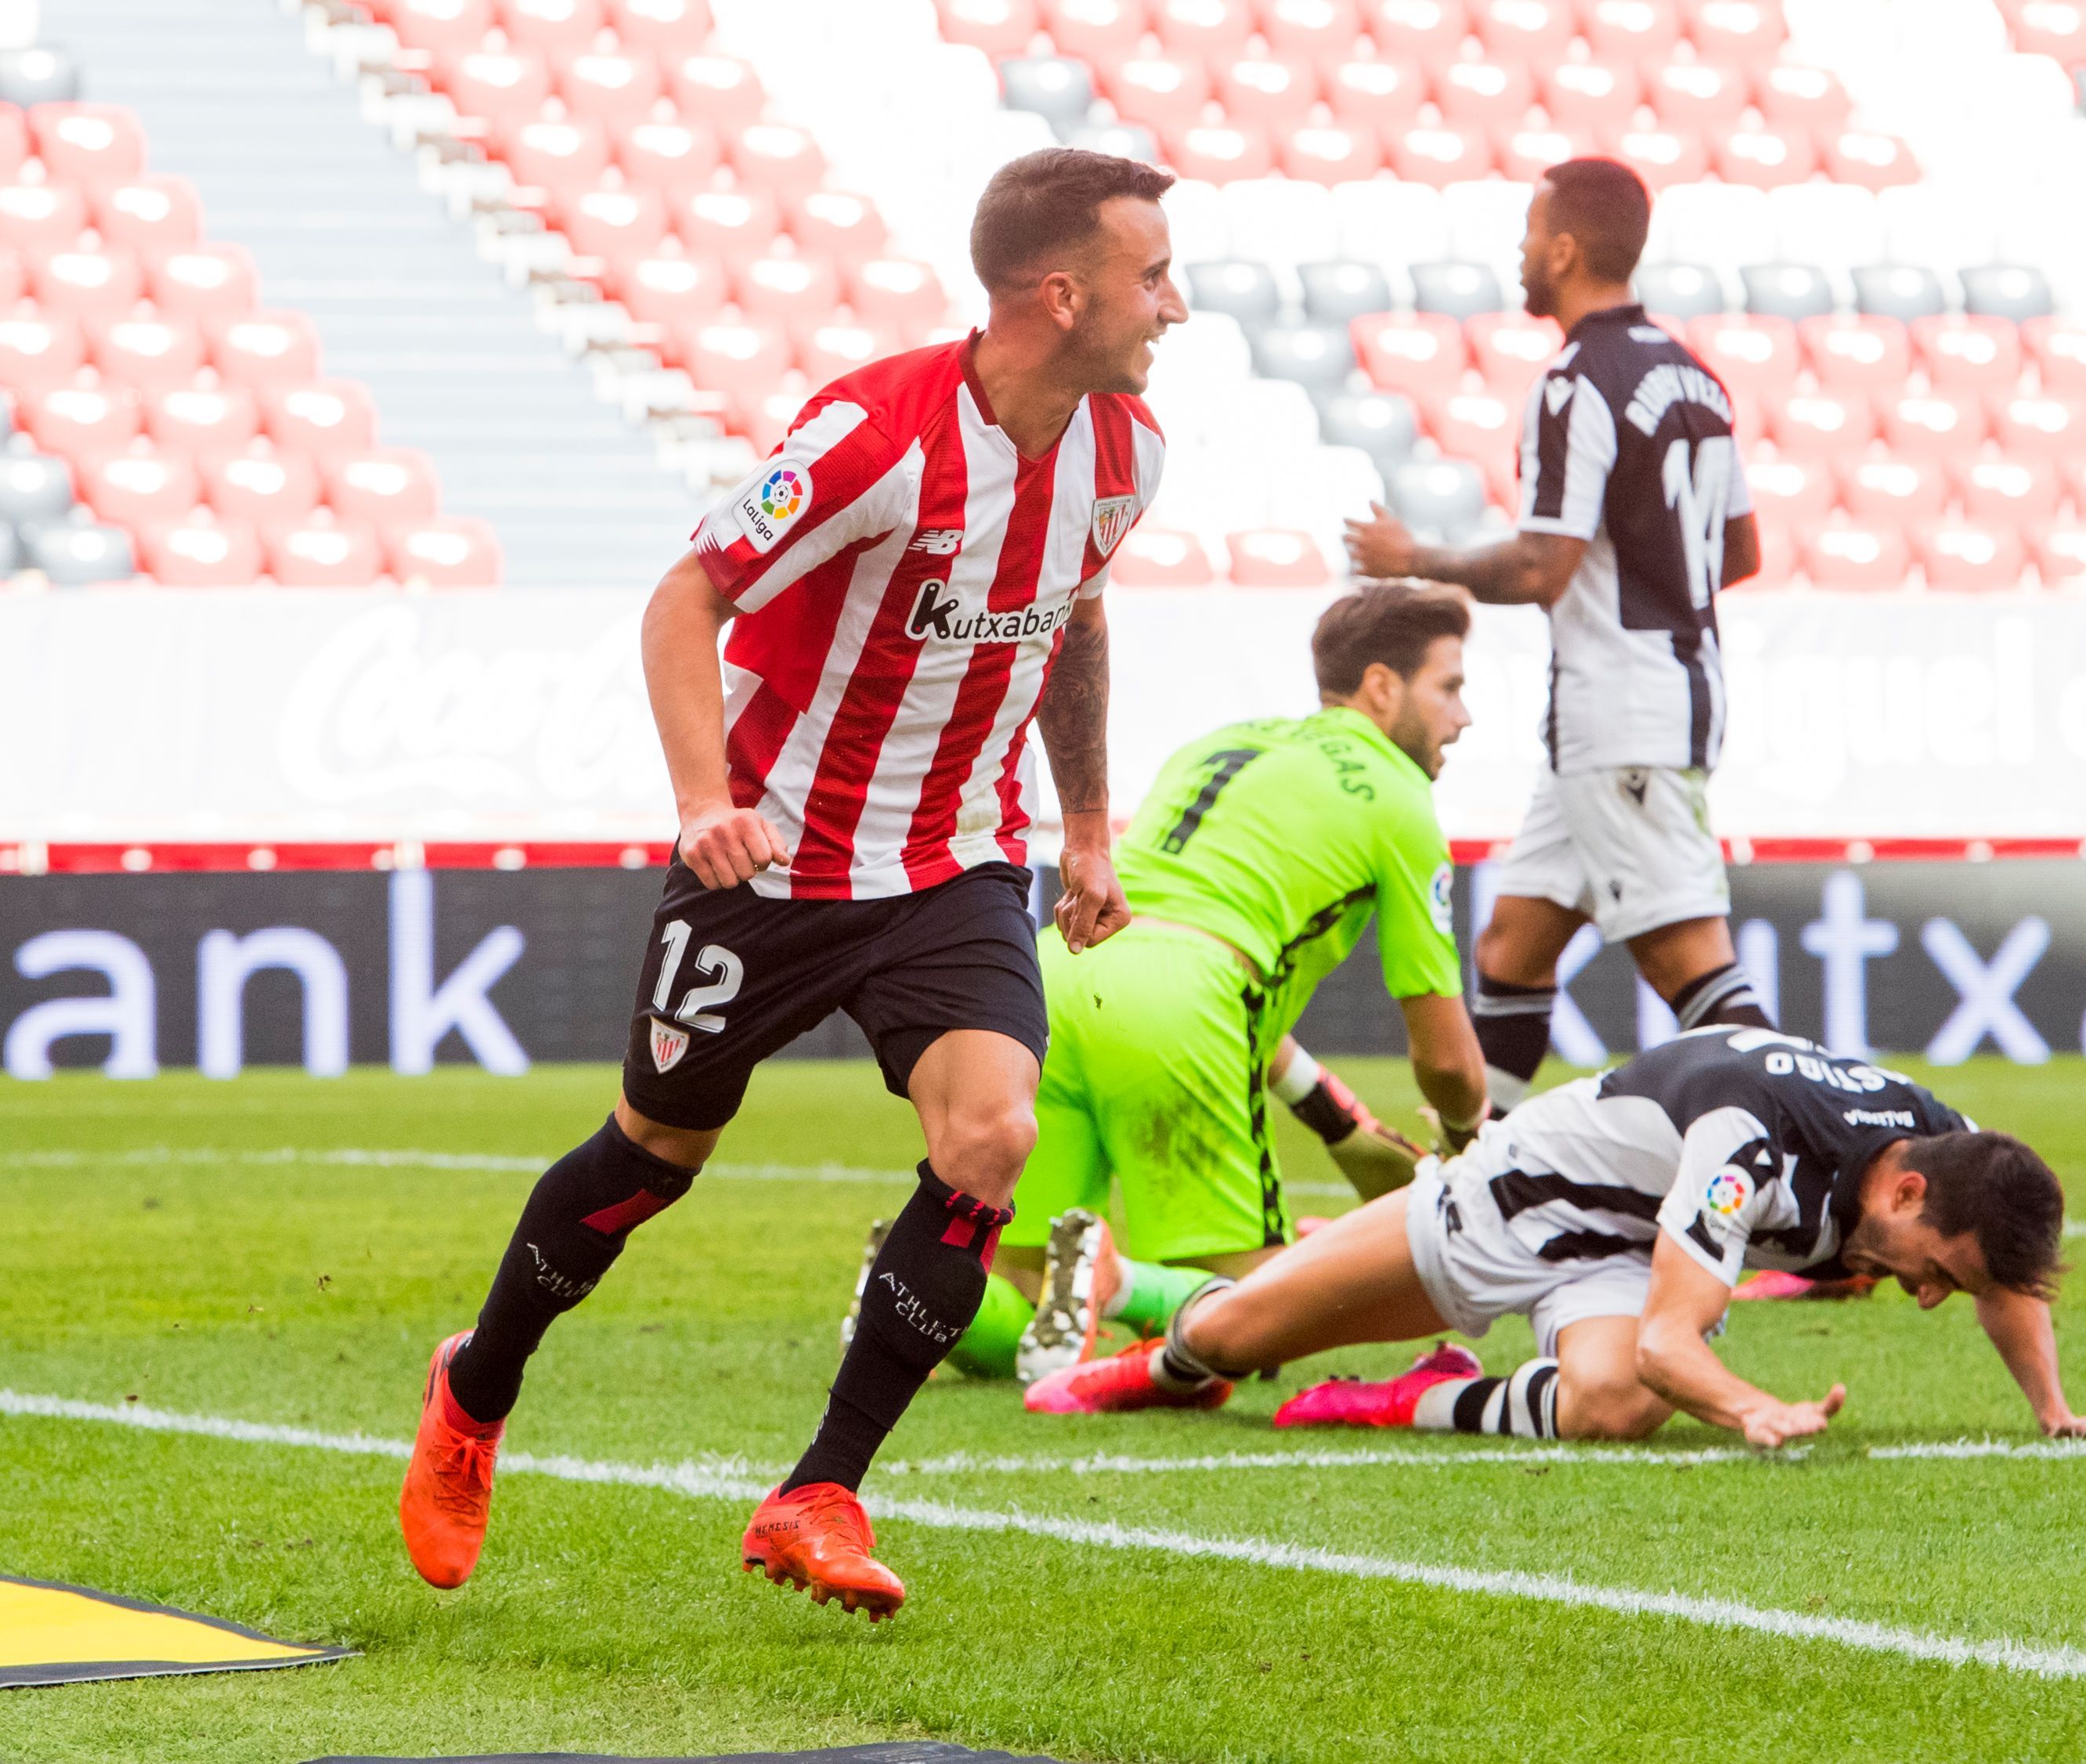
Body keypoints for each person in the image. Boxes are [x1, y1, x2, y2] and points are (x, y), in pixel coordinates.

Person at [396, 146, 1186, 1621]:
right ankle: (477, 1385)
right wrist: (706, 800)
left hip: (954, 860)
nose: (1176, 305)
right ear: (1064, 292)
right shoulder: (867, 436)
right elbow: (687, 595)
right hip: (774, 860)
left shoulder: (1125, 448)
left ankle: (818, 1490)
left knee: (992, 1134)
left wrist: (1085, 820)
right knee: (647, 1161)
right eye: (1153, 277)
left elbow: (1073, 615)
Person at [1025, 1026, 2086, 1451]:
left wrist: (2053, 1413)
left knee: (1615, 1406)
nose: (1927, 1298)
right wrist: (1749, 1408)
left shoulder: (1948, 1150)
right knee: (1229, 1337)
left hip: (1635, 1236)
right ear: (1907, 1196)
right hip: (1515, 1210)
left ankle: (1397, 1397)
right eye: (1935, 1274)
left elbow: (2000, 1276)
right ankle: (1160, 1349)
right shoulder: (1745, 1141)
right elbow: (1677, 1341)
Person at [946, 582, 1492, 1386]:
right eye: (1449, 687)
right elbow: (1446, 1063)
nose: (1462, 716)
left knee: (1030, 1297)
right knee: (1258, 1322)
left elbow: (1189, 945)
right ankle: (1121, 1278)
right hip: (1187, 1000)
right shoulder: (1399, 798)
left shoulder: (1225, 741)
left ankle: (916, 1285)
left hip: (1056, 973)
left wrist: (1335, 1118)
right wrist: (1465, 1147)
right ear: (1383, 687)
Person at [1343, 157, 1774, 1113]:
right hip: (1650, 701)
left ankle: (1827, 1188)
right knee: (1513, 953)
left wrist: (1416, 557)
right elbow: (1738, 550)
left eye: (1531, 235)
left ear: (1567, 248)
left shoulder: (1578, 382)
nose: (1523, 253)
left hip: (1619, 713)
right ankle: (1477, 1182)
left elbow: (1543, 569)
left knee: (1696, 978)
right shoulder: (1694, 379)